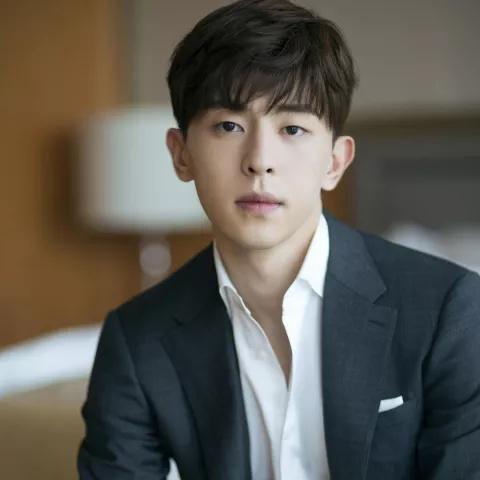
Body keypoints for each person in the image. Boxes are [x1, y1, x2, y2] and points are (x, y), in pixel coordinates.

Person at [77, 1, 480, 479]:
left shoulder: (449, 312)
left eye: (292, 128)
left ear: (335, 162)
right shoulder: (137, 339)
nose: (260, 160)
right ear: (181, 155)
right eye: (229, 126)